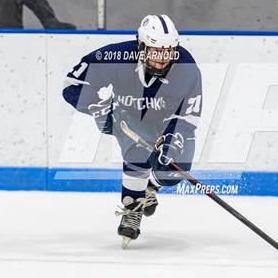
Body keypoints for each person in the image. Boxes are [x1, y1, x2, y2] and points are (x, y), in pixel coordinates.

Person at [62, 15, 202, 248]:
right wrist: (97, 107)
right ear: (141, 45)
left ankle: (150, 186)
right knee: (139, 149)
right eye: (156, 51)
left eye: (168, 51)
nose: (162, 58)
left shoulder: (186, 66)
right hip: (127, 117)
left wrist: (172, 139)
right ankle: (132, 206)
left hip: (167, 123)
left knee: (173, 172)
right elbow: (72, 85)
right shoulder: (116, 57)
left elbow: (187, 115)